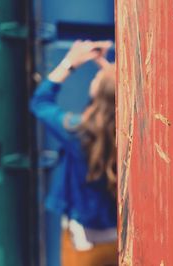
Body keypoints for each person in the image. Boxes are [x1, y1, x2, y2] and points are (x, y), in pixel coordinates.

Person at [30, 40, 117, 266]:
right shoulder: (135, 136)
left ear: (97, 91)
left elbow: (40, 102)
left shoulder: (77, 132)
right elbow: (116, 96)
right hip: (121, 242)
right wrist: (108, 71)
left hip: (85, 244)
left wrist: (71, 62)